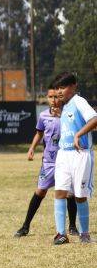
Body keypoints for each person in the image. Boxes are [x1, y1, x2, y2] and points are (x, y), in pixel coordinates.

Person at [13, 85, 78, 238]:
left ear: (61, 97)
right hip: (49, 161)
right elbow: (39, 133)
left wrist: (62, 115)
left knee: (69, 193)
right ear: (47, 98)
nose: (54, 100)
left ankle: (73, 227)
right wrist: (32, 148)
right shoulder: (43, 116)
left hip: (67, 159)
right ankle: (25, 226)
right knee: (40, 191)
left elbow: (76, 129)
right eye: (51, 97)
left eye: (57, 97)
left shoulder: (68, 114)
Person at [50, 72, 97, 244]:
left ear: (73, 86)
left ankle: (85, 235)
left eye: (63, 87)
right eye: (58, 88)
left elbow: (94, 119)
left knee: (80, 196)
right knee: (60, 192)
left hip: (80, 154)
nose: (59, 91)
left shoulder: (79, 101)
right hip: (64, 154)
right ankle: (61, 234)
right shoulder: (65, 105)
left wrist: (78, 135)